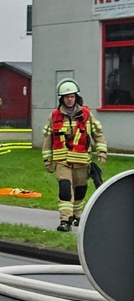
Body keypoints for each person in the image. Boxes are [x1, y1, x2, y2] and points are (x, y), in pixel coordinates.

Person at [43, 79, 107, 232]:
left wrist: (102, 151)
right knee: (65, 188)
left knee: (80, 190)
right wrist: (47, 160)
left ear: (76, 97)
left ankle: (78, 216)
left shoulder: (86, 114)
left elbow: (98, 133)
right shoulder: (54, 116)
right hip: (62, 161)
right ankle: (65, 219)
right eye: (66, 97)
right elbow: (48, 139)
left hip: (81, 161)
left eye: (71, 96)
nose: (69, 99)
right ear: (62, 99)